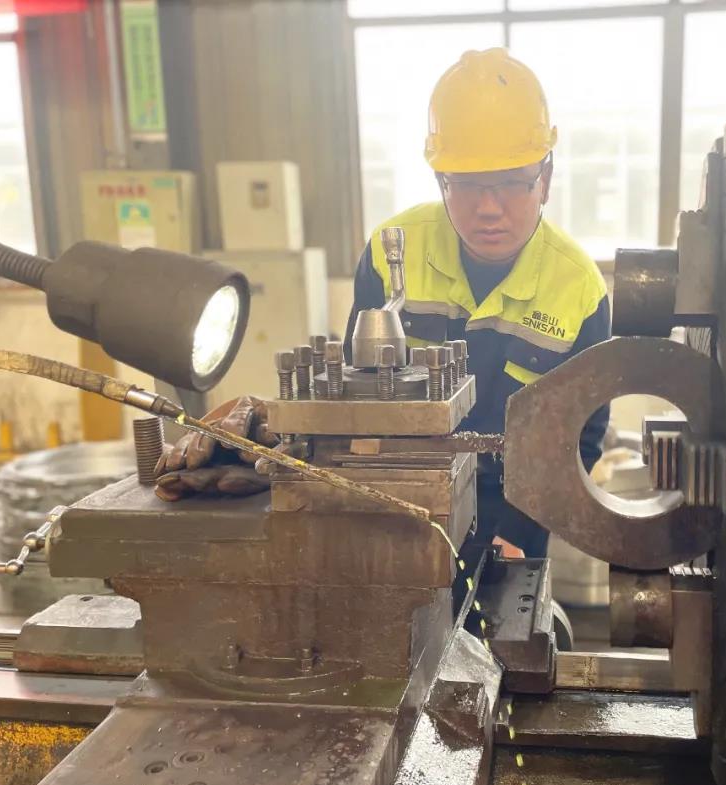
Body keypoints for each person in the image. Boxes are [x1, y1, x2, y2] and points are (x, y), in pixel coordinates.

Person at [154, 48, 610, 565]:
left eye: (510, 182)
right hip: (396, 505)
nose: (488, 207)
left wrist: (520, 531)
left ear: (545, 178)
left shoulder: (578, 288)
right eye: (465, 184)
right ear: (440, 180)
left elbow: (582, 439)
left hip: (511, 517)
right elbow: (356, 393)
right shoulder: (392, 250)